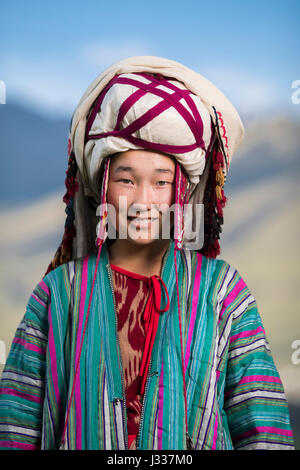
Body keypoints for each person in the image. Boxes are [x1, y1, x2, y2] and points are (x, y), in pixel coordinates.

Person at [0, 56, 295, 450]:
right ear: (102, 185)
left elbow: (263, 428)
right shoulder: (59, 294)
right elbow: (16, 427)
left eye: (160, 182)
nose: (143, 200)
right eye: (126, 179)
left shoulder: (222, 293)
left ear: (181, 192)